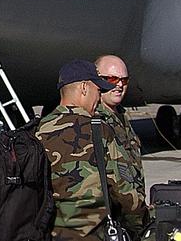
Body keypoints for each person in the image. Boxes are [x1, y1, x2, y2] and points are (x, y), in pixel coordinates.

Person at [35, 59, 144, 240]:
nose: (98, 96)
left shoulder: (40, 129)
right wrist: (140, 225)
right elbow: (124, 193)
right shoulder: (99, 130)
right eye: (98, 90)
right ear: (84, 88)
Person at [94, 54, 144, 202]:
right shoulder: (95, 120)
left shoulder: (121, 116)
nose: (119, 85)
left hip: (133, 208)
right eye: (112, 79)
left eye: (124, 80)